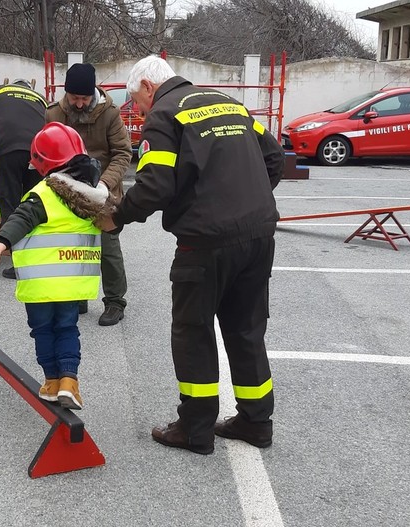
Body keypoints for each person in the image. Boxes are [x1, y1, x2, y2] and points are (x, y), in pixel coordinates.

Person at [97, 56, 285, 454]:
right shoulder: (228, 102)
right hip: (258, 236)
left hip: (205, 243)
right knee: (246, 329)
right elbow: (274, 157)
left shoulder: (165, 114)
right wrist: (248, 201)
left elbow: (154, 185)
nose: (137, 109)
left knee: (193, 332)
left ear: (149, 86)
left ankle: (195, 429)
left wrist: (118, 217)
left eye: (136, 100)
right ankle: (256, 422)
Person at [0, 122, 109, 409]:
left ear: (43, 163)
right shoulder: (92, 195)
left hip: (41, 284)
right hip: (71, 283)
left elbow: (21, 218)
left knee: (42, 329)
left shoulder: (44, 193)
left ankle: (51, 380)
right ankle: (70, 382)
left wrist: (1, 240)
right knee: (67, 328)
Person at [46, 63, 132, 326]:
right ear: (66, 93)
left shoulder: (110, 114)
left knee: (107, 248)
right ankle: (77, 297)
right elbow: (46, 150)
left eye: (84, 98)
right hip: (68, 191)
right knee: (72, 247)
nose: (80, 104)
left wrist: (105, 183)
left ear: (93, 92)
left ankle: (115, 301)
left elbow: (123, 153)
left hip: (103, 192)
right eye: (74, 99)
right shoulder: (54, 114)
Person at [0, 79, 47, 278]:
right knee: (34, 204)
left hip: (8, 152)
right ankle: (37, 258)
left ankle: (18, 265)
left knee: (10, 204)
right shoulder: (41, 98)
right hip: (37, 154)